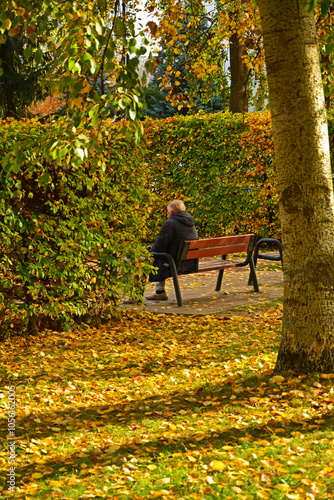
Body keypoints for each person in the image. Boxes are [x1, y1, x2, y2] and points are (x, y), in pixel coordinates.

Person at [146, 200, 198, 301]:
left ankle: (133, 296)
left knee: (137, 260)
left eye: (167, 211)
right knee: (161, 256)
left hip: (173, 263)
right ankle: (159, 292)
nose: (167, 213)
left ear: (171, 212)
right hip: (189, 262)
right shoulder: (190, 223)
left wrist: (149, 251)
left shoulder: (170, 223)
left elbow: (158, 247)